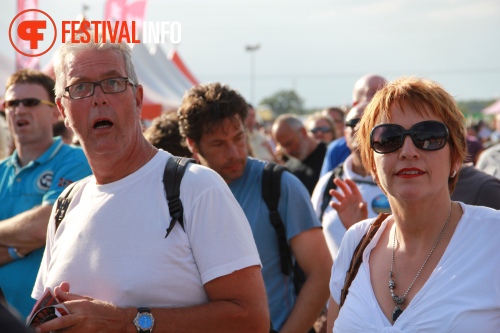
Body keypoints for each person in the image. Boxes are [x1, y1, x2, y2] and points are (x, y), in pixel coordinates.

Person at [32, 33, 269, 333]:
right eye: (80, 87)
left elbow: (252, 320)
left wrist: (127, 322)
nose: (99, 97)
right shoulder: (66, 204)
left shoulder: (196, 188)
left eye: (113, 82)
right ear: (63, 111)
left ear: (138, 99)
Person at [327, 77, 500, 331]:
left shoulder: (493, 238)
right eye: (388, 139)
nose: (408, 151)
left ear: (455, 158)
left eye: (429, 136)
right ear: (372, 165)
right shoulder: (356, 243)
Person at [178, 82, 332, 333]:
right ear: (193, 145)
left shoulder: (280, 185)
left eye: (239, 138)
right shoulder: (179, 192)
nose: (234, 153)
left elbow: (322, 273)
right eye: (218, 144)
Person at [0, 69, 91, 319]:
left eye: (30, 102)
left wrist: (17, 244)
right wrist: (18, 248)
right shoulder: (1, 171)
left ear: (56, 112)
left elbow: (44, 225)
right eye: (11, 103)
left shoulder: (76, 160)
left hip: (51, 320)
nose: (19, 110)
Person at [311, 102, 389, 259]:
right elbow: (313, 243)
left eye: (368, 120)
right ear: (345, 135)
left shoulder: (401, 180)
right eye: (353, 122)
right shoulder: (328, 183)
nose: (359, 127)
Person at [320, 74, 387, 177]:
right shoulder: (338, 149)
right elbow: (328, 189)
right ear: (356, 105)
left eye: (387, 93)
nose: (383, 99)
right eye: (374, 93)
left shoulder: (404, 141)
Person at [272, 114, 327, 195]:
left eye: (289, 143)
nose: (288, 150)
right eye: (283, 147)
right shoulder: (289, 169)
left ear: (303, 132)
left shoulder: (329, 155)